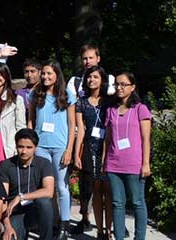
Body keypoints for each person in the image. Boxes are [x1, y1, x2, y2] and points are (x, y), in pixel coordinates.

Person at [28, 60, 76, 238]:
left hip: (59, 147)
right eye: (44, 73)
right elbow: (31, 119)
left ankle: (64, 225)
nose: (45, 77)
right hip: (41, 147)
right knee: (43, 187)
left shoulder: (67, 95)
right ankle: (46, 223)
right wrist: (31, 142)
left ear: (57, 75)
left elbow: (72, 124)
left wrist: (69, 149)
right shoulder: (35, 94)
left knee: (62, 187)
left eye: (49, 73)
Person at [104, 72, 151, 240]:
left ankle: (140, 238)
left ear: (133, 87)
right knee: (117, 204)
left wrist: (146, 163)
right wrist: (104, 162)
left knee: (138, 203)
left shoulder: (141, 109)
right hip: (114, 164)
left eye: (123, 84)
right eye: (117, 84)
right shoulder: (111, 109)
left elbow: (146, 139)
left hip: (134, 164)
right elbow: (107, 139)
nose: (119, 87)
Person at [73, 66, 113, 237]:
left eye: (95, 77)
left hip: (107, 146)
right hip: (89, 146)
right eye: (89, 77)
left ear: (102, 79)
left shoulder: (109, 102)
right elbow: (80, 129)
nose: (91, 80)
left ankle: (109, 229)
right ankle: (97, 229)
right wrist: (76, 154)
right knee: (93, 187)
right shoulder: (81, 102)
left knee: (108, 188)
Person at [0, 129, 56, 240]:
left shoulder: (44, 163)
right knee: (11, 237)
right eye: (21, 147)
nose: (24, 151)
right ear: (16, 146)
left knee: (45, 202)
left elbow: (49, 191)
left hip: (36, 210)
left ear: (35, 148)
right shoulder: (6, 165)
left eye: (29, 147)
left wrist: (20, 197)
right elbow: (2, 200)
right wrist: (7, 226)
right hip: (16, 212)